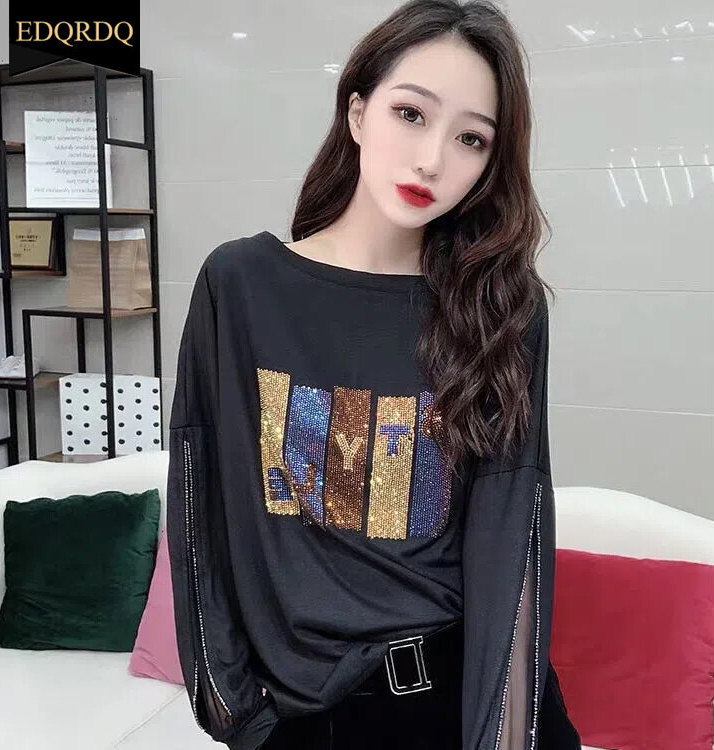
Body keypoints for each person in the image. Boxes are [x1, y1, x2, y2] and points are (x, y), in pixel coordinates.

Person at [166, 1, 582, 748]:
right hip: (306, 715)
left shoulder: (501, 311)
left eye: (471, 138)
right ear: (357, 112)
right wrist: (235, 713)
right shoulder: (243, 285)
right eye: (410, 114)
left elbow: (510, 530)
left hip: (462, 698)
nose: (432, 161)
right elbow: (201, 505)